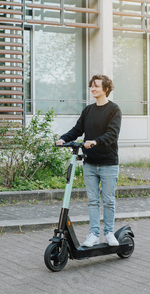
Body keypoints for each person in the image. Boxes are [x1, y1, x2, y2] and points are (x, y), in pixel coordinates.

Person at [56, 74, 122, 247]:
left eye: (97, 86)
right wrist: (63, 139)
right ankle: (93, 234)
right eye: (91, 86)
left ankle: (109, 233)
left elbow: (112, 134)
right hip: (90, 162)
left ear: (106, 89)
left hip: (108, 162)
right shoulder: (88, 110)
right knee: (92, 200)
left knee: (108, 200)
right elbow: (77, 129)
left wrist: (95, 141)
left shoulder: (114, 110)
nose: (93, 89)